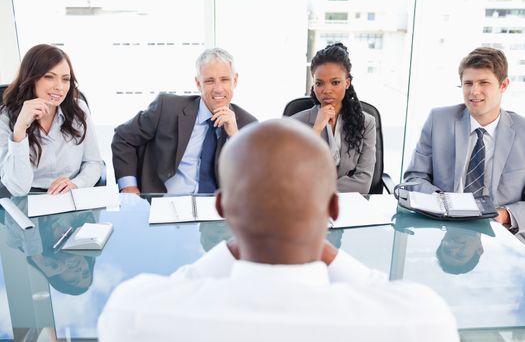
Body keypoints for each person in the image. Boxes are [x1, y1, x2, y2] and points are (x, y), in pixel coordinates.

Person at [98, 119, 458, 341]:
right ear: (333, 208)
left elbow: (180, 284)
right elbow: (382, 291)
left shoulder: (135, 312)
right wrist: (320, 244)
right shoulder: (420, 320)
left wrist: (239, 242)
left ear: (222, 207)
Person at [403, 47, 525, 234]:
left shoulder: (522, 131)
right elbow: (414, 178)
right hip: (443, 226)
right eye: (468, 83)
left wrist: (504, 215)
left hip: (499, 232)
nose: (474, 92)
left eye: (483, 82)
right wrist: (441, 201)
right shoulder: (439, 120)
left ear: (504, 85)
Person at [111, 48, 257, 194]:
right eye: (209, 81)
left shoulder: (248, 125)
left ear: (235, 81)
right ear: (198, 83)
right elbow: (123, 137)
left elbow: (256, 180)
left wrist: (235, 137)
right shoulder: (167, 108)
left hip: (218, 210)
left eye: (225, 80)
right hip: (165, 204)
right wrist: (129, 187)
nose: (218, 89)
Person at [0, 44, 103, 196]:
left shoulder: (78, 109)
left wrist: (76, 184)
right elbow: (18, 189)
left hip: (70, 195)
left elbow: (94, 163)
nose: (59, 87)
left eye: (65, 79)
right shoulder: (6, 117)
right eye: (49, 77)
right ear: (31, 78)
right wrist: (20, 129)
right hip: (28, 198)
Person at [292, 42, 376, 193]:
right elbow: (291, 176)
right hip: (308, 206)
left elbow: (363, 182)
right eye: (319, 83)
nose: (327, 90)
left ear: (347, 83)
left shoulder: (367, 123)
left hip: (351, 204)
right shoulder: (295, 123)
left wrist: (318, 189)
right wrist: (316, 128)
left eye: (335, 82)